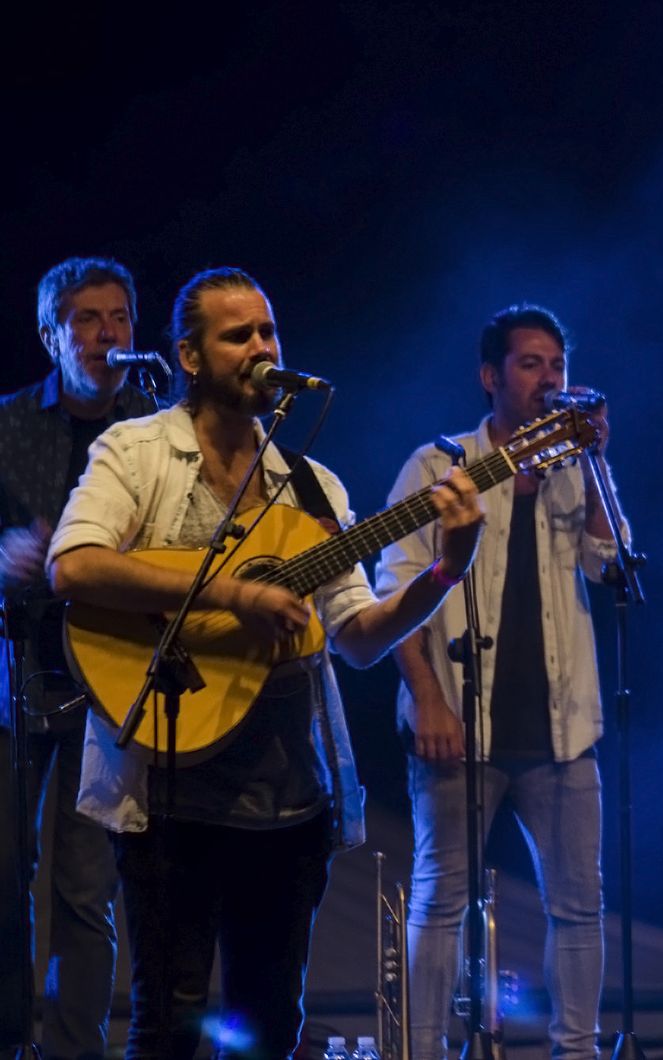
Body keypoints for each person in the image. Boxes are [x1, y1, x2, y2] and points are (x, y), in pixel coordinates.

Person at [45, 267, 485, 1058]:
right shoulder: (138, 451)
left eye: (268, 332)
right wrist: (232, 598)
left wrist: (444, 571)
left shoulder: (313, 488)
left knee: (269, 1029)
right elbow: (73, 568)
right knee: (167, 1026)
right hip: (167, 791)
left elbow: (357, 637)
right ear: (188, 355)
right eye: (238, 335)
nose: (261, 347)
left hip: (289, 803)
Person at [376, 304, 621, 1060]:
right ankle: (422, 1052)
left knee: (580, 907)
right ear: (491, 376)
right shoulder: (439, 464)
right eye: (530, 364)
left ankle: (574, 1050)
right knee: (441, 899)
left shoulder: (575, 465)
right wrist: (426, 700)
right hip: (459, 720)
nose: (549, 379)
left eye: (558, 366)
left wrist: (601, 462)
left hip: (561, 727)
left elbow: (608, 565)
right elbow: (395, 588)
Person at [0, 257, 155, 1059]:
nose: (107, 335)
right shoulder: (9, 423)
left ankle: (73, 1050)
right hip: (18, 675)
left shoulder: (155, 429)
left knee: (86, 891)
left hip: (114, 683)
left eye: (119, 318)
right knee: (3, 880)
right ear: (51, 334)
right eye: (88, 320)